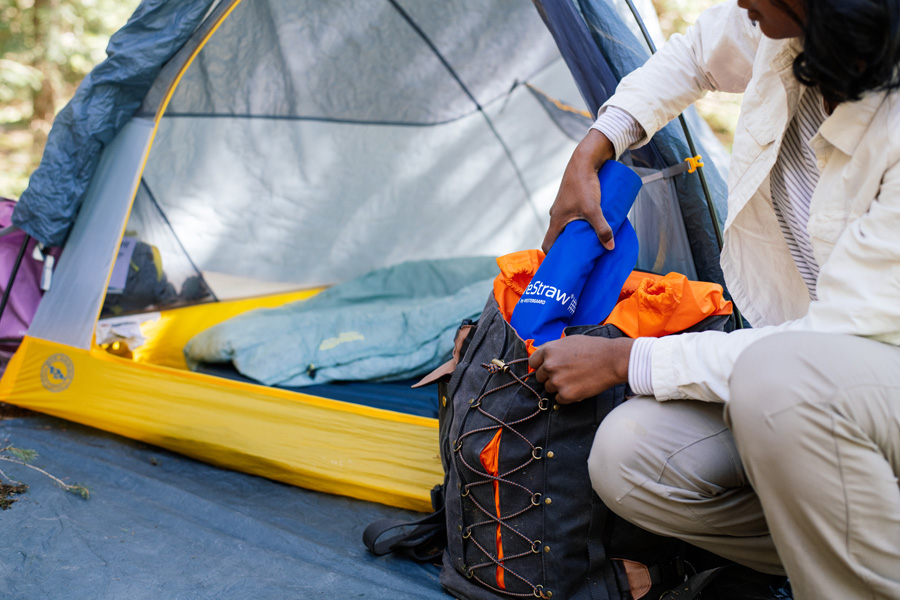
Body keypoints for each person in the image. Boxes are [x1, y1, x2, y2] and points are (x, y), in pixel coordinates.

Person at [527, 0, 900, 598]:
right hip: (804, 377)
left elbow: (836, 340)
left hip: (861, 372)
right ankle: (827, 561)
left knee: (780, 384)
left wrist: (627, 360)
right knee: (628, 458)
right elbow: (694, 55)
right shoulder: (792, 34)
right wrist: (595, 146)